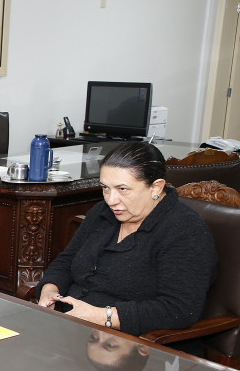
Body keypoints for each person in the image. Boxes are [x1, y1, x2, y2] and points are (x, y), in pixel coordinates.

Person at [36, 142, 217, 337]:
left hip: (131, 345)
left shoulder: (184, 230)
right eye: (105, 188)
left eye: (122, 189)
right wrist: (49, 289)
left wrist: (101, 316)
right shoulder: (102, 213)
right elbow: (67, 260)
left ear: (156, 187)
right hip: (70, 328)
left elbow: (179, 310)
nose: (111, 200)